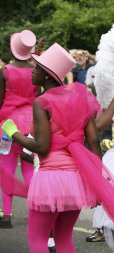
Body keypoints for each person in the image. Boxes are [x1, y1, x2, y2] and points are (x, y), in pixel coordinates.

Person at [1, 43, 114, 253]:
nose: (33, 71)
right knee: (64, 238)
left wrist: (15, 134)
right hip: (76, 179)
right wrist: (98, 181)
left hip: (50, 178)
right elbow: (93, 141)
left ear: (47, 75)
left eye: (38, 68)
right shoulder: (80, 96)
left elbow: (42, 146)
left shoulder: (42, 102)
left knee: (37, 240)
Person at [0, 30, 38, 228]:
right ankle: (35, 214)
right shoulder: (36, 70)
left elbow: (0, 100)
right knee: (29, 168)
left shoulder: (5, 71)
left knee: (6, 169)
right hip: (32, 122)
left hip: (8, 124)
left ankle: (6, 216)